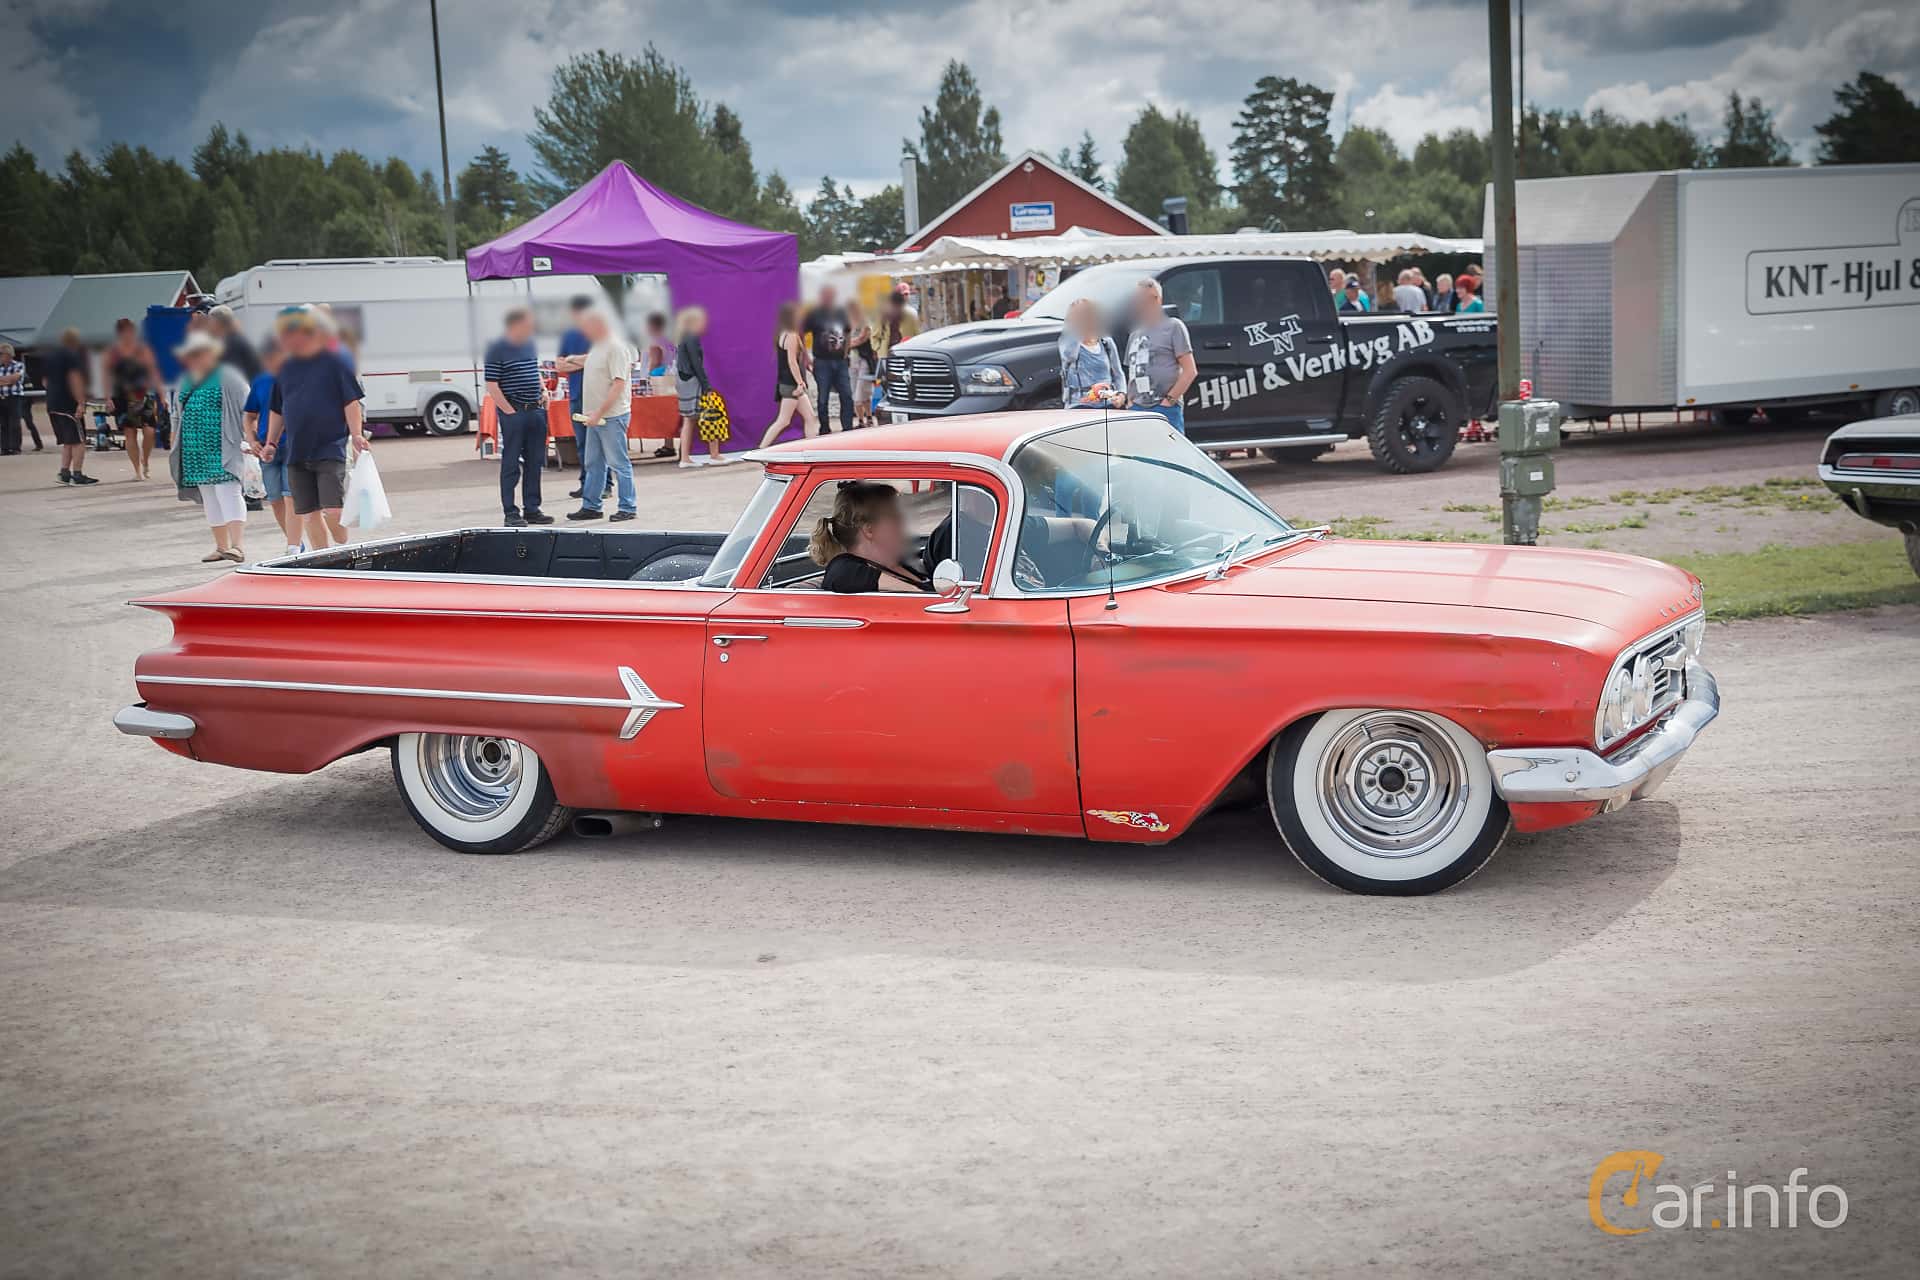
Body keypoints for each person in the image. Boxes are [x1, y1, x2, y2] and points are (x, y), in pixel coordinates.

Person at [260, 304, 367, 550]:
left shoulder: (336, 363)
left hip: (329, 447)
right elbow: (278, 409)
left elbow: (351, 401)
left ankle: (341, 544)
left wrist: (357, 435)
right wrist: (271, 442)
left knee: (333, 510)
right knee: (309, 514)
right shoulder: (285, 368)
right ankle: (323, 560)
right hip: (297, 451)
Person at [169, 331, 252, 564]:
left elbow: (248, 410)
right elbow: (176, 414)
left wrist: (250, 438)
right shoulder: (187, 379)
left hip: (224, 448)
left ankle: (237, 546)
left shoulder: (229, 377)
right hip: (194, 450)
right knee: (210, 496)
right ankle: (221, 547)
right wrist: (174, 442)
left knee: (228, 492)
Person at [483, 307, 553, 528]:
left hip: (535, 410)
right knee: (511, 463)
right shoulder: (496, 349)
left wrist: (544, 391)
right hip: (514, 411)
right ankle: (510, 512)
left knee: (535, 462)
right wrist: (509, 411)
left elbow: (535, 370)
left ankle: (532, 509)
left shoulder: (529, 344)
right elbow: (492, 384)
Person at [568, 308, 638, 521]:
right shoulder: (599, 346)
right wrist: (574, 359)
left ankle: (628, 507)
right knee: (594, 462)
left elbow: (618, 383)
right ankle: (592, 505)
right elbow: (593, 361)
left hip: (610, 416)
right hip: (596, 417)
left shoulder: (616, 347)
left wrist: (599, 412)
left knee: (619, 463)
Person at [809, 481, 930, 594]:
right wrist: (918, 592)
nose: (903, 523)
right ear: (869, 530)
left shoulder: (899, 564)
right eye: (895, 517)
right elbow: (840, 573)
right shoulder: (845, 568)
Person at [242, 339, 299, 556]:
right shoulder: (261, 381)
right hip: (266, 449)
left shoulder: (296, 378)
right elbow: (249, 415)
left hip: (293, 445)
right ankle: (294, 542)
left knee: (290, 496)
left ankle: (293, 547)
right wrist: (252, 440)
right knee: (275, 499)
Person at [1124, 279, 1196, 431]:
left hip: (1165, 408)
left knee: (1170, 447)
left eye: (1153, 298)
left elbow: (1190, 371)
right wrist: (1130, 402)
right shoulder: (1134, 334)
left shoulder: (1174, 326)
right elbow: (1131, 372)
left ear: (1160, 300)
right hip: (1137, 409)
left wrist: (1169, 401)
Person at [672, 306, 731, 468]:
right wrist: (706, 385)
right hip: (692, 380)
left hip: (683, 380)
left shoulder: (682, 337)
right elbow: (696, 363)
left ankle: (685, 457)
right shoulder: (691, 337)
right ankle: (714, 454)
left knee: (688, 420)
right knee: (711, 413)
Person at [759, 302, 822, 448]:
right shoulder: (791, 335)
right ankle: (761, 448)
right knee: (783, 421)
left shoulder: (783, 334)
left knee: (810, 417)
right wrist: (800, 382)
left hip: (787, 383)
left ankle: (812, 448)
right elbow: (792, 362)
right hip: (791, 385)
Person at [106, 318, 161, 480]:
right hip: (121, 396)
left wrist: (162, 394)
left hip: (145, 394)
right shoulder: (114, 353)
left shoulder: (143, 349)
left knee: (149, 431)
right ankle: (137, 470)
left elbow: (154, 371)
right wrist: (108, 398)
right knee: (130, 433)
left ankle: (146, 461)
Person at [44, 327, 97, 485]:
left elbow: (45, 381)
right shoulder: (72, 356)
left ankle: (64, 473)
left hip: (52, 404)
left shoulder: (51, 356)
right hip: (68, 405)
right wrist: (80, 402)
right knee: (79, 441)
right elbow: (75, 380)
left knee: (68, 440)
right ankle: (77, 474)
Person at [1059, 298, 1125, 408]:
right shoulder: (1067, 342)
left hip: (1107, 404)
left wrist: (1121, 394)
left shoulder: (1106, 343)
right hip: (1079, 405)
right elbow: (1070, 356)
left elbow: (1118, 373)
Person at [804, 285, 853, 434]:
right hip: (822, 362)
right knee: (823, 397)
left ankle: (848, 428)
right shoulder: (814, 314)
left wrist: (846, 353)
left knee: (847, 395)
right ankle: (824, 428)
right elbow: (801, 333)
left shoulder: (841, 312)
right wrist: (806, 357)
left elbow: (848, 332)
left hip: (840, 362)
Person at [206, 305, 261, 381]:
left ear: (218, 323)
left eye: (210, 321)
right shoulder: (233, 338)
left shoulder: (231, 343)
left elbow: (231, 375)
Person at [870, 288, 921, 368]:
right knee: (888, 373)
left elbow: (917, 334)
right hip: (886, 352)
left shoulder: (910, 315)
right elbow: (874, 335)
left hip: (905, 351)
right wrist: (877, 348)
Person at [847, 299, 877, 428]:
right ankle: (861, 420)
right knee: (854, 390)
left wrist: (846, 344)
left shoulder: (865, 322)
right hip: (851, 361)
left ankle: (868, 418)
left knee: (862, 391)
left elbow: (862, 338)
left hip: (864, 360)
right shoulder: (847, 323)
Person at [0, 343, 27, 454]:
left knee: (14, 423)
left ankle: (15, 447)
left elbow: (15, 379)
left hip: (14, 397)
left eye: (1, 354)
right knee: (3, 424)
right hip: (1, 397)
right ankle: (4, 448)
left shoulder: (19, 365)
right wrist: (8, 380)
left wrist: (4, 380)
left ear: (8, 354)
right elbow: (10, 380)